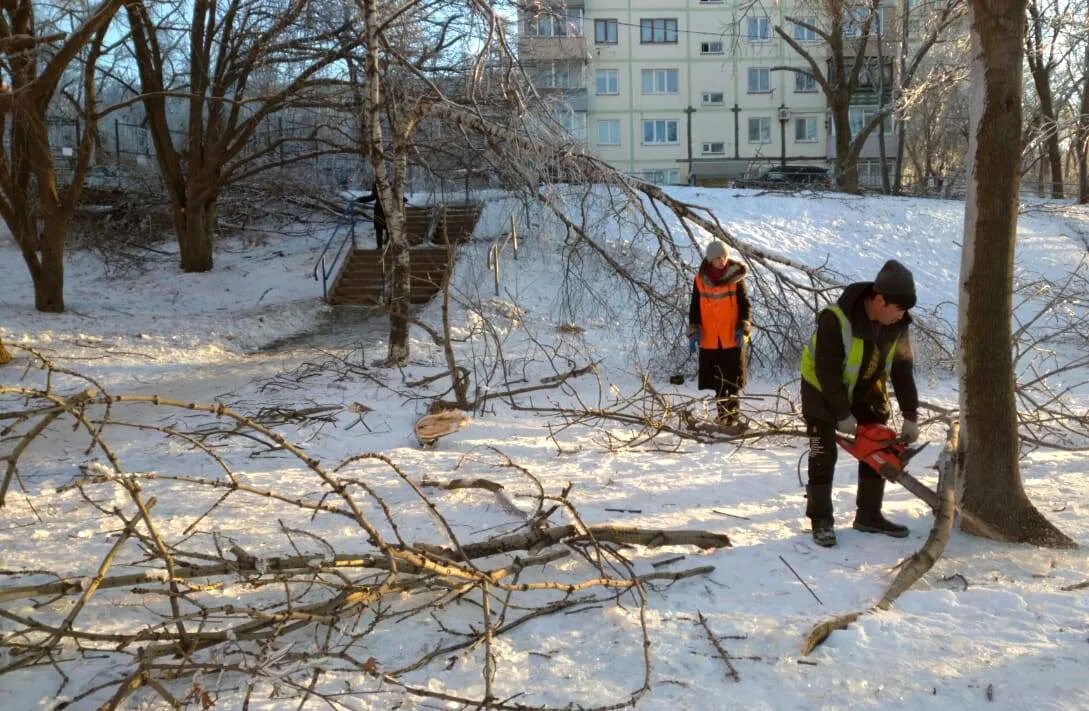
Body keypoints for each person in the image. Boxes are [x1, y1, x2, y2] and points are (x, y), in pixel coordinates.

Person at [799, 259, 921, 547]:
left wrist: (910, 413)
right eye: (898, 308)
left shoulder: (898, 326)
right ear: (879, 300)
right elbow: (827, 372)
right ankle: (821, 519)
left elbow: (902, 370)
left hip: (865, 388)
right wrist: (841, 414)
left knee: (879, 441)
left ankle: (868, 514)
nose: (901, 315)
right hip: (820, 387)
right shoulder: (836, 319)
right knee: (822, 451)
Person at [687, 239, 752, 429]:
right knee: (718, 382)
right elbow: (694, 307)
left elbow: (745, 305)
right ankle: (723, 417)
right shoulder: (700, 279)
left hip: (732, 339)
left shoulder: (736, 278)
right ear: (710, 260)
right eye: (717, 258)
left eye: (724, 257)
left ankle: (732, 418)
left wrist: (743, 328)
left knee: (731, 382)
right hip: (710, 340)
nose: (722, 261)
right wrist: (694, 331)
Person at [354, 181, 386, 249]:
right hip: (381, 210)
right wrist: (360, 199)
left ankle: (385, 246)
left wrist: (402, 199)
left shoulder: (385, 184)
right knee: (380, 229)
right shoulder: (379, 185)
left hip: (385, 211)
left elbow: (395, 194)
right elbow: (372, 197)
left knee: (384, 229)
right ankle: (380, 246)